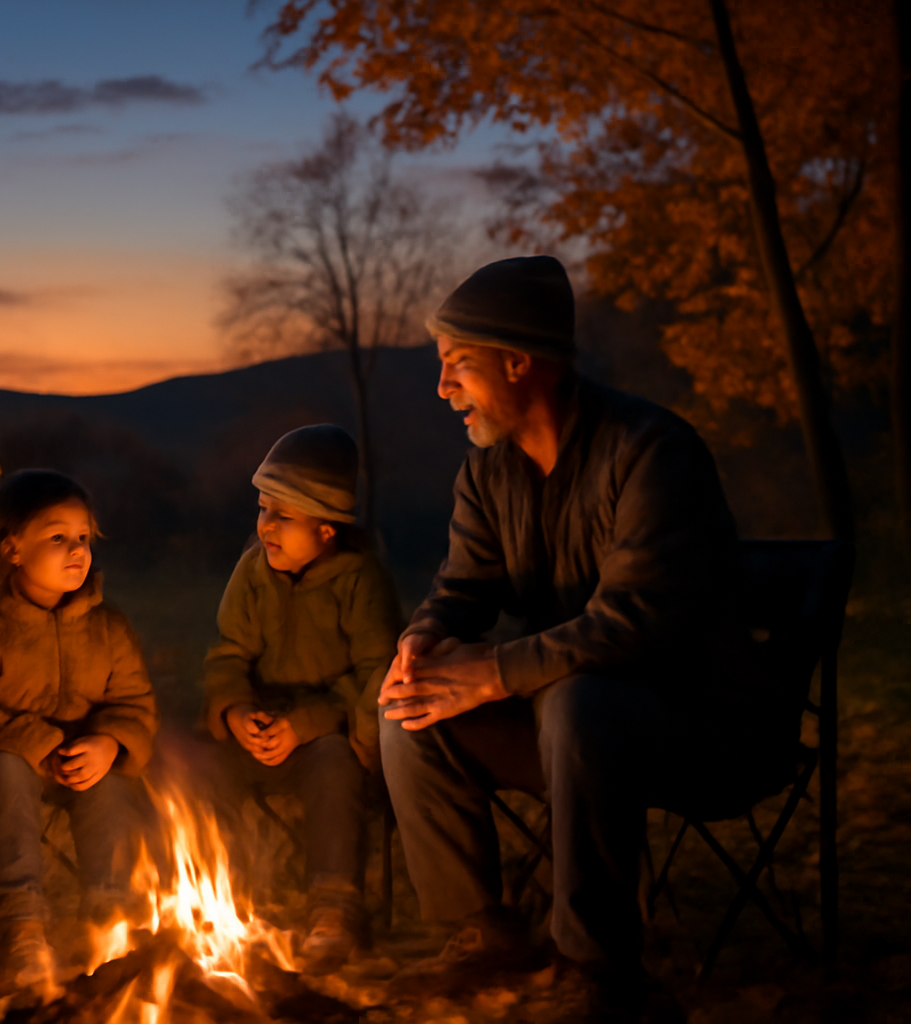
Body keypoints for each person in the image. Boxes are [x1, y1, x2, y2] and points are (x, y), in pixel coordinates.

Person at [377, 256, 759, 1016]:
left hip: (693, 727)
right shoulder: (488, 475)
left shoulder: (651, 451)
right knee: (407, 706)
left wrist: (492, 673)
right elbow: (463, 589)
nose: (444, 387)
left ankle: (597, 969)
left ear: (519, 361)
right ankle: (481, 931)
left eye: (459, 366)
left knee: (579, 703)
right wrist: (422, 640)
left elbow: (634, 622)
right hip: (566, 729)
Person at [201, 424, 401, 974]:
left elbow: (377, 677)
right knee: (197, 762)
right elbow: (227, 654)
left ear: (327, 529)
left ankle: (334, 906)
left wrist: (311, 724)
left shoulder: (360, 581)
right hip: (261, 729)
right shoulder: (253, 572)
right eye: (263, 510)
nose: (265, 526)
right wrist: (236, 711)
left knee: (335, 764)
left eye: (283, 517)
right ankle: (220, 898)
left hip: (328, 736)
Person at [0, 469, 158, 996]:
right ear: (12, 548)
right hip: (7, 770)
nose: (77, 551)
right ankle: (22, 926)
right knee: (4, 770)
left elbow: (134, 703)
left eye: (84, 538)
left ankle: (106, 917)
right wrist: (43, 746)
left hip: (85, 762)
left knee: (111, 780)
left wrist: (110, 741)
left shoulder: (107, 627)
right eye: (58, 537)